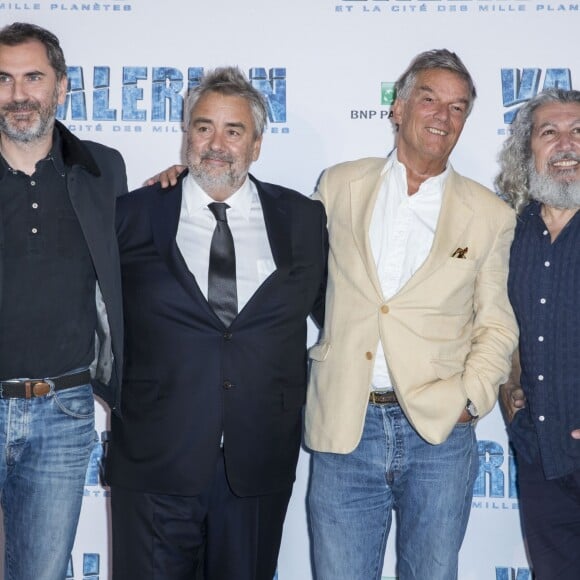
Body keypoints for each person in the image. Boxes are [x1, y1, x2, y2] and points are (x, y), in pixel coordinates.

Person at [304, 49, 519, 580]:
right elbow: (288, 268)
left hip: (439, 436)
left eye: (458, 107)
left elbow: (496, 322)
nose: (443, 116)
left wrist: (472, 398)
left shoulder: (490, 215)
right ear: (397, 109)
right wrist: (187, 180)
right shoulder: (339, 185)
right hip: (345, 427)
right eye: (429, 99)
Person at [106, 66, 327, 580]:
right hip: (155, 462)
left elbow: (330, 311)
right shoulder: (133, 214)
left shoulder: (303, 219)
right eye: (204, 127)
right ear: (186, 136)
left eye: (234, 131)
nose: (217, 144)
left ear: (256, 145)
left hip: (257, 463)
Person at [0, 22, 127, 580]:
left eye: (32, 77)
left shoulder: (103, 169)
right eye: (2, 80)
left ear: (62, 87)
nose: (18, 94)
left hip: (63, 411)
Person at [496, 88, 580, 580]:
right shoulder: (510, 229)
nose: (565, 144)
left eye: (577, 132)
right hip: (540, 457)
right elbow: (496, 320)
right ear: (528, 150)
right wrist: (509, 384)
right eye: (549, 133)